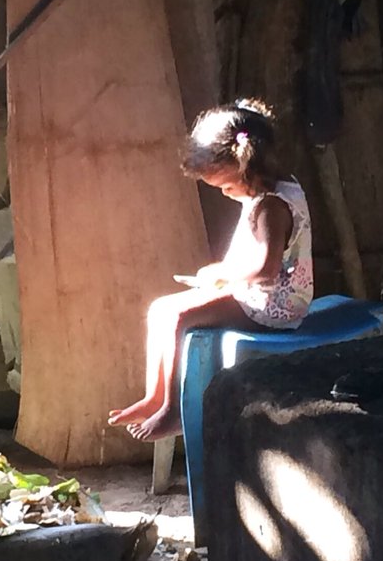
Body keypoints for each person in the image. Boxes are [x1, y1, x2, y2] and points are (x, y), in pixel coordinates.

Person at [108, 99, 314, 442]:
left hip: (274, 306)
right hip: (258, 294)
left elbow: (267, 267)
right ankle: (153, 397)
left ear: (246, 165)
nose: (225, 193)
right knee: (161, 309)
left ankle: (174, 409)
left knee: (178, 318)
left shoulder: (271, 208)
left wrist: (224, 274)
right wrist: (220, 275)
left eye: (226, 186)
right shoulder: (273, 188)